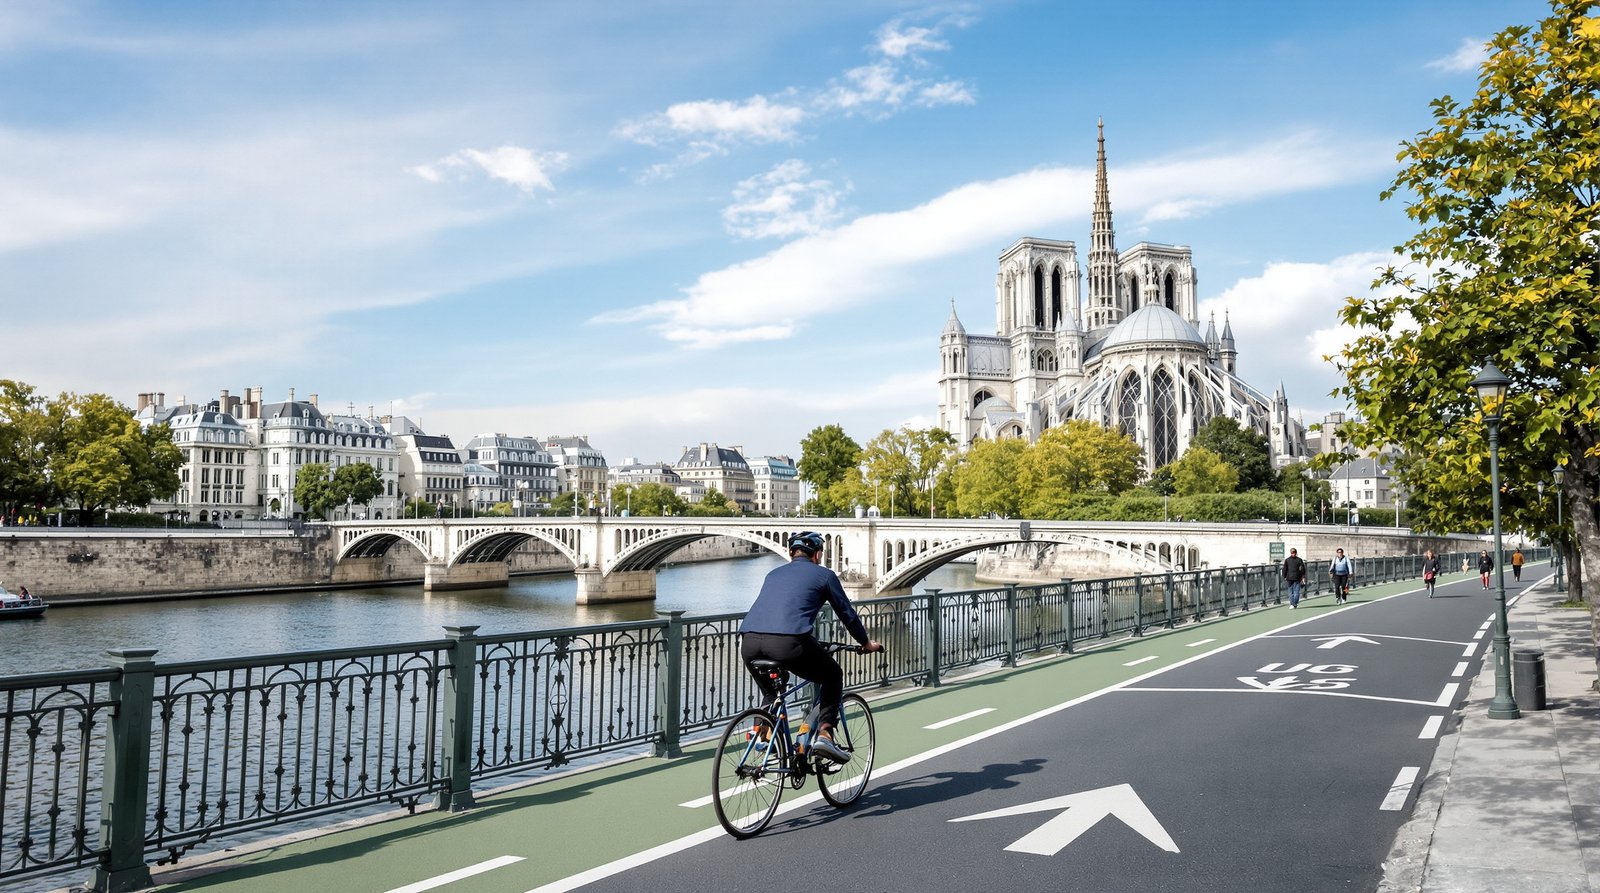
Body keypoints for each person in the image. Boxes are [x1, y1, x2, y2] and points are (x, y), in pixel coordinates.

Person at [740, 532, 883, 763]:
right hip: (788, 643)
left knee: (771, 692)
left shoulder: (772, 574)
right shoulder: (824, 575)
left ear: (790, 553)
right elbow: (847, 614)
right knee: (833, 675)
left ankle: (761, 735)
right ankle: (825, 734)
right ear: (817, 555)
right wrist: (865, 643)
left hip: (749, 642)